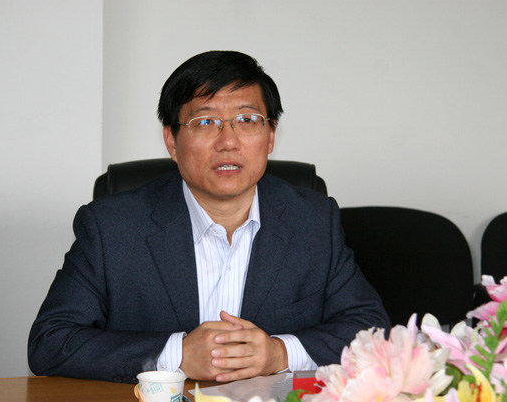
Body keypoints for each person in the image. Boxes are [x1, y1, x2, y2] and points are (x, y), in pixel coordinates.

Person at [28, 50, 390, 384]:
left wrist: (279, 353)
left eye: (247, 120)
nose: (228, 141)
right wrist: (178, 355)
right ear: (172, 141)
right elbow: (51, 342)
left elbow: (371, 331)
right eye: (205, 122)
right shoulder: (112, 227)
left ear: (270, 136)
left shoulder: (312, 220)